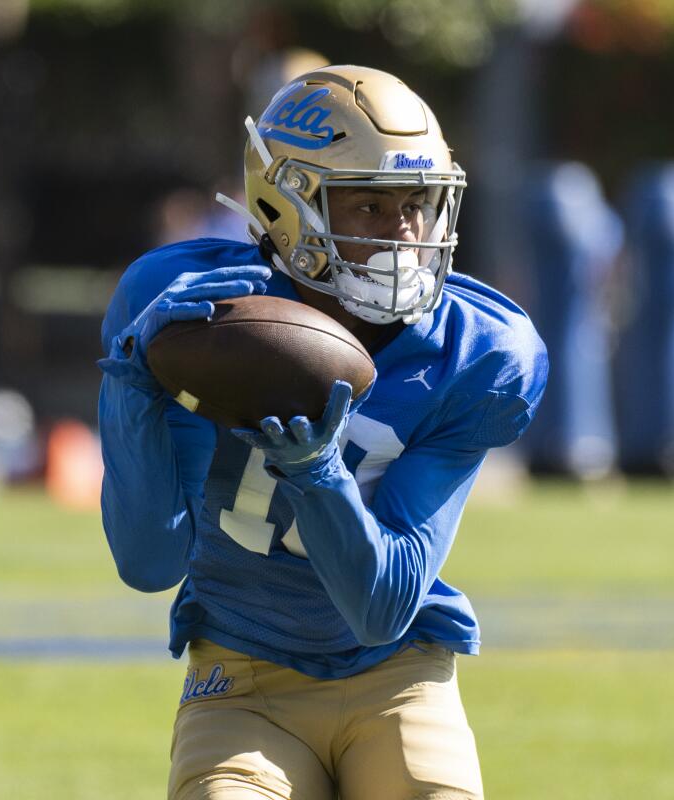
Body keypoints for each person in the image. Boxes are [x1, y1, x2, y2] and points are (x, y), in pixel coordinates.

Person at [98, 65, 547, 799]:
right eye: (368, 205)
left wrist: (317, 471)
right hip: (241, 676)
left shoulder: (478, 351)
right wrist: (134, 381)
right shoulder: (192, 313)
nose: (404, 235)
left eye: (417, 204)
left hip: (399, 672)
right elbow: (148, 561)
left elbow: (382, 607)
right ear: (287, 208)